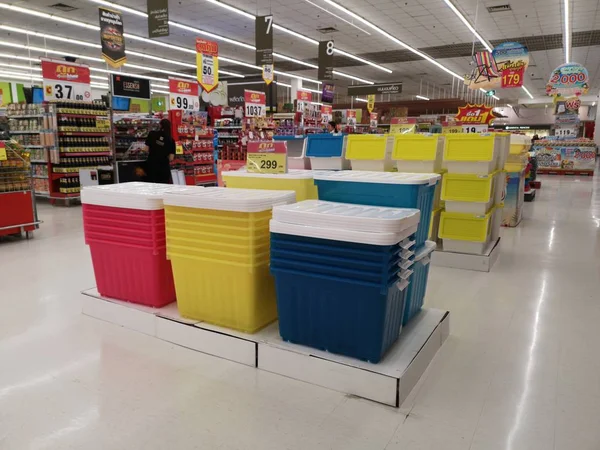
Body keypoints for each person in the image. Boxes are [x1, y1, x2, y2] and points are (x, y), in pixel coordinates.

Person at [140, 118, 175, 183]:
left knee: (152, 185)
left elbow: (146, 149)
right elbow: (171, 158)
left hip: (152, 165)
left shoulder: (152, 134)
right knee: (163, 187)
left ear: (160, 125)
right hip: (164, 167)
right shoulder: (171, 140)